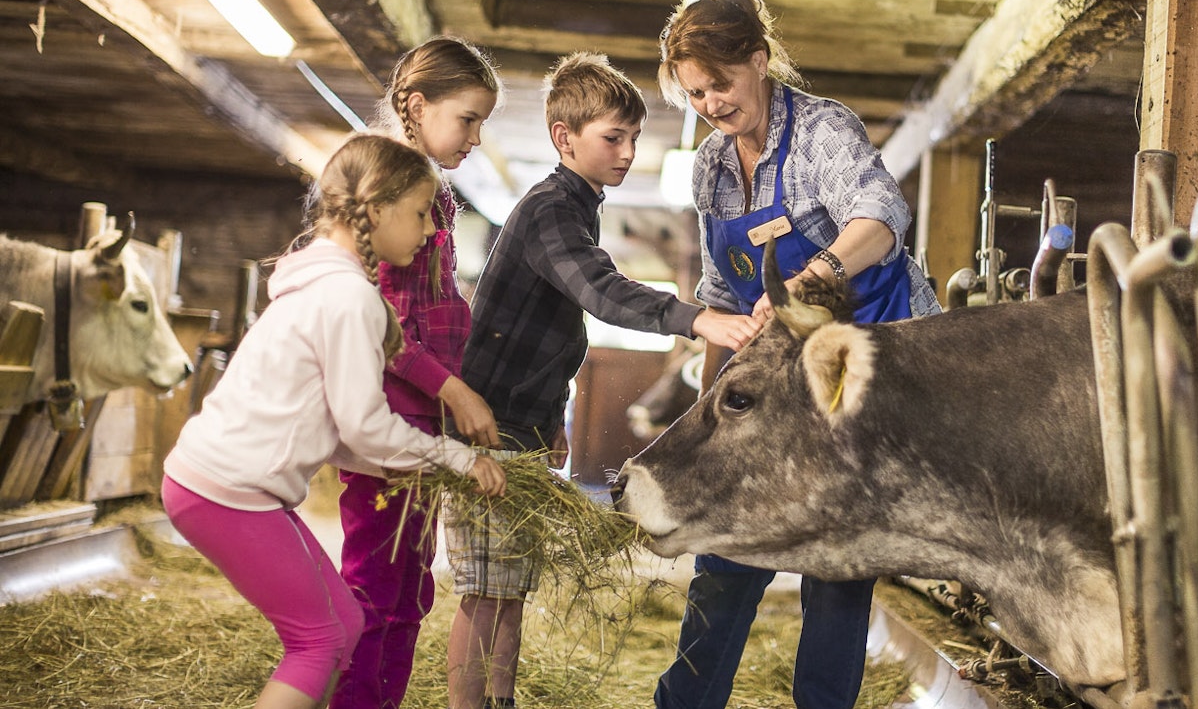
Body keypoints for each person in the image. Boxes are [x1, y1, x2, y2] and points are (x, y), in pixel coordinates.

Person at [652, 0, 943, 709]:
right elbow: (723, 296)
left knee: (837, 567)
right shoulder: (712, 167)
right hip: (779, 383)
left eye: (720, 84)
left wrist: (822, 270)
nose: (712, 105)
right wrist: (709, 414)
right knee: (728, 553)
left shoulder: (820, 131)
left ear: (759, 60)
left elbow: (882, 214)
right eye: (694, 95)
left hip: (862, 372)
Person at [447, 52, 762, 709]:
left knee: (508, 590)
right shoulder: (548, 210)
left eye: (633, 138)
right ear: (565, 139)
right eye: (612, 138)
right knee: (484, 594)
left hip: (520, 426)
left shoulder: (577, 207)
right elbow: (598, 291)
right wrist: (693, 318)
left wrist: (550, 423)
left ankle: (498, 703)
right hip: (485, 427)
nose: (627, 152)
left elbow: (554, 334)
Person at [162, 134, 508, 709]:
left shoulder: (324, 285)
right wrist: (458, 459)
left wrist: (434, 466)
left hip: (221, 482)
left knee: (345, 621)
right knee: (319, 640)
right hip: (228, 489)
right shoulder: (348, 297)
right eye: (421, 214)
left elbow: (342, 436)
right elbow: (367, 426)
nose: (428, 232)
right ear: (375, 209)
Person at [332, 36, 507, 709]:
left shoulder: (430, 195)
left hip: (421, 426)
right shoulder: (390, 191)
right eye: (467, 119)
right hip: (387, 427)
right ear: (416, 104)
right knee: (375, 589)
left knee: (410, 589)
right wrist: (453, 388)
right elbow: (385, 325)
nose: (476, 138)